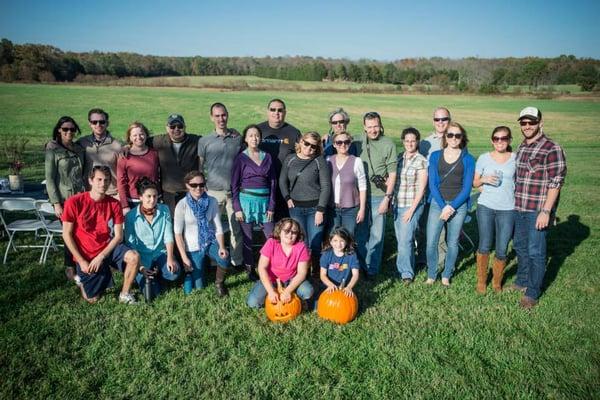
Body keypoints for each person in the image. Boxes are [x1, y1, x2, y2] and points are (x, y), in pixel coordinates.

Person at [510, 107, 566, 310]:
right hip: (519, 207)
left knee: (536, 251)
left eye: (531, 122)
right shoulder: (522, 147)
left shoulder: (552, 148)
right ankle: (522, 281)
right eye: (523, 123)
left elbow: (556, 182)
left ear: (540, 123)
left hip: (537, 209)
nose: (527, 126)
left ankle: (532, 293)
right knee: (520, 246)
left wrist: (546, 211)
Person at [61, 165, 140, 304]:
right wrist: (81, 261)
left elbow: (118, 236)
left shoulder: (114, 204)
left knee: (134, 257)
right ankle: (82, 280)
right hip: (85, 253)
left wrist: (101, 256)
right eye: (99, 179)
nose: (103, 184)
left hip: (106, 248)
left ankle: (125, 294)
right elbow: (66, 234)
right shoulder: (74, 202)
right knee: (93, 299)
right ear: (90, 181)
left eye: (106, 180)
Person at [425, 122, 475, 287]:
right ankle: (432, 274)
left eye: (457, 135)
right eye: (450, 135)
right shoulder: (435, 156)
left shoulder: (468, 159)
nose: (454, 138)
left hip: (458, 205)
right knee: (431, 241)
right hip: (437, 203)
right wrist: (443, 205)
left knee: (453, 242)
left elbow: (467, 188)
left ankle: (446, 274)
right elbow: (432, 184)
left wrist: (452, 207)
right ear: (445, 137)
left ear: (462, 138)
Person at [198, 103, 244, 268]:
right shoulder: (205, 141)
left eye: (223, 115)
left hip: (234, 192)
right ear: (212, 118)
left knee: (236, 228)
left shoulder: (237, 138)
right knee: (211, 228)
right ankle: (213, 259)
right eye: (217, 116)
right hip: (213, 192)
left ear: (227, 115)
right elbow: (200, 166)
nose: (221, 119)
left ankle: (236, 260)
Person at [279, 131, 331, 275]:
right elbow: (282, 181)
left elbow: (326, 186)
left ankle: (317, 272)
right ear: (301, 142)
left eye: (313, 146)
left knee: (315, 243)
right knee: (300, 242)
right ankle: (303, 272)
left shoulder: (319, 160)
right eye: (306, 143)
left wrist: (320, 210)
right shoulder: (290, 159)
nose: (309, 148)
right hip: (296, 208)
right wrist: (287, 198)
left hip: (315, 208)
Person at [353, 112, 397, 279]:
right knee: (361, 233)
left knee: (377, 235)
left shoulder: (389, 144)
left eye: (375, 126)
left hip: (380, 195)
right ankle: (361, 266)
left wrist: (388, 197)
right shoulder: (357, 141)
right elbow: (339, 143)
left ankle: (372, 269)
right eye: (369, 127)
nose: (373, 130)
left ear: (380, 125)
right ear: (364, 127)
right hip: (360, 196)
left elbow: (392, 174)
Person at [473, 126, 516, 293]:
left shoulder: (515, 158)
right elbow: (475, 183)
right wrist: (484, 179)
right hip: (486, 206)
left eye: (504, 138)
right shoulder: (484, 158)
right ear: (492, 141)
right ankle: (481, 281)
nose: (500, 141)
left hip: (508, 208)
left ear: (509, 140)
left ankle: (497, 282)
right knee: (484, 244)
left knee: (502, 247)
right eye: (496, 138)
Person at [173, 171, 231, 297]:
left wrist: (221, 246)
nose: (198, 188)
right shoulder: (182, 205)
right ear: (187, 186)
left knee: (224, 258)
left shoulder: (212, 201)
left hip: (209, 240)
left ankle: (219, 283)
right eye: (194, 185)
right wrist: (184, 258)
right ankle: (190, 273)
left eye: (201, 184)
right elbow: (178, 234)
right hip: (192, 246)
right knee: (199, 286)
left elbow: (218, 227)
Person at [231, 124, 277, 280]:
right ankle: (250, 269)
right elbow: (234, 185)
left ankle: (271, 267)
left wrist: (271, 206)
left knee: (272, 237)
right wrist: (237, 208)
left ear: (260, 138)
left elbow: (273, 183)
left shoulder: (268, 157)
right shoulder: (241, 158)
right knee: (247, 238)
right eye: (250, 135)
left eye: (257, 135)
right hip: (245, 203)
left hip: (265, 203)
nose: (254, 138)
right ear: (245, 138)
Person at [124, 178, 180, 300]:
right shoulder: (130, 216)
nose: (152, 200)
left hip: (160, 253)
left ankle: (160, 271)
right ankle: (149, 276)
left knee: (174, 274)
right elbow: (131, 244)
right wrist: (141, 267)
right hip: (142, 258)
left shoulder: (164, 210)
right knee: (153, 294)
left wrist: (170, 258)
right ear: (140, 197)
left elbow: (168, 236)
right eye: (148, 196)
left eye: (155, 196)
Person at [45, 116, 85, 281]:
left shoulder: (79, 148)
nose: (69, 132)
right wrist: (56, 203)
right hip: (64, 199)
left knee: (81, 232)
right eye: (65, 129)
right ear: (59, 131)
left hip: (80, 198)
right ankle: (70, 266)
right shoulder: (53, 150)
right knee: (70, 233)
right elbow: (49, 178)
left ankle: (80, 264)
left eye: (72, 129)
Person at [246, 218, 314, 308]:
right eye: (286, 231)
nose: (290, 234)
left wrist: (288, 291)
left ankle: (294, 295)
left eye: (294, 232)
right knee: (253, 303)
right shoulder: (271, 243)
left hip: (291, 280)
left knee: (307, 292)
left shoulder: (301, 247)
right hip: (271, 279)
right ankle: (269, 293)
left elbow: (302, 273)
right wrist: (270, 291)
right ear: (279, 231)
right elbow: (262, 268)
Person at [417, 107, 452, 268]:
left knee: (440, 232)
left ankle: (440, 263)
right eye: (437, 119)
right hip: (427, 193)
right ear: (433, 121)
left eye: (444, 119)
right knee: (424, 227)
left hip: (447, 192)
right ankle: (423, 258)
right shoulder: (426, 143)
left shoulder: (455, 138)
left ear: (449, 120)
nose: (440, 122)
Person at [392, 127, 428, 284]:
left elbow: (422, 189)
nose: (410, 143)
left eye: (413, 140)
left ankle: (406, 273)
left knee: (406, 240)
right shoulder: (399, 158)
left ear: (417, 142)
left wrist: (411, 210)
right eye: (407, 140)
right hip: (397, 203)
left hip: (412, 205)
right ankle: (406, 266)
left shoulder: (421, 161)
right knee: (401, 239)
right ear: (403, 142)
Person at [257, 98, 301, 220]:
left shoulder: (293, 132)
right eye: (273, 110)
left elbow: (302, 156)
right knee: (265, 220)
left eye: (280, 110)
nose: (276, 113)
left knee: (284, 219)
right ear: (267, 112)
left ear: (285, 112)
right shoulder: (258, 130)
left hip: (285, 184)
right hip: (262, 182)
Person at [149, 114, 200, 216]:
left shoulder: (195, 141)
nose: (176, 129)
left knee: (190, 223)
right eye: (172, 127)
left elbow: (212, 140)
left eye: (180, 126)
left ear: (185, 127)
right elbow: (139, 142)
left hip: (190, 193)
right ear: (167, 128)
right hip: (168, 194)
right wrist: (128, 146)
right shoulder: (159, 141)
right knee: (171, 223)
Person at [326, 130, 367, 235]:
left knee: (349, 238)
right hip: (332, 209)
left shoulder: (356, 161)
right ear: (334, 144)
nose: (343, 145)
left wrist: (362, 209)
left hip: (351, 210)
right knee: (333, 238)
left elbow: (362, 187)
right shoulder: (328, 161)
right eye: (339, 142)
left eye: (346, 142)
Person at [117, 122, 159, 215]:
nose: (138, 137)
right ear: (130, 138)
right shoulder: (124, 156)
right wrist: (124, 205)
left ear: (146, 135)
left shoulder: (154, 153)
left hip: (152, 200)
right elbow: (121, 182)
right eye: (134, 135)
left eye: (141, 134)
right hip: (133, 201)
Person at [77, 108, 121, 198]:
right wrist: (52, 144)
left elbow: (123, 173)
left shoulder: (117, 146)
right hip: (89, 193)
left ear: (107, 123)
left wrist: (120, 195)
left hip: (111, 194)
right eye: (94, 122)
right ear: (90, 124)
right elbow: (66, 147)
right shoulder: (82, 143)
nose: (98, 125)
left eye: (102, 122)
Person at [319, 227, 360, 297]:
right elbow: (323, 275)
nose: (338, 244)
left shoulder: (352, 255)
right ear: (330, 241)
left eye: (342, 241)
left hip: (346, 287)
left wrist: (349, 287)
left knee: (349, 304)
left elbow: (355, 274)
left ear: (346, 241)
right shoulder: (326, 255)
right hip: (329, 286)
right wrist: (330, 285)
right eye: (335, 240)